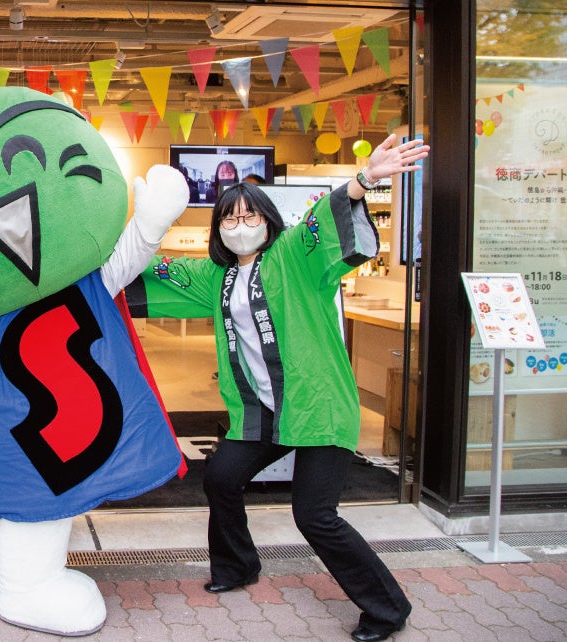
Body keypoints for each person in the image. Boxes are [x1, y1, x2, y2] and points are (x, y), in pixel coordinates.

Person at [126, 133, 429, 642]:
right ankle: (238, 566)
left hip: (316, 409)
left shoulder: (295, 256)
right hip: (261, 416)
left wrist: (366, 178)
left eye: (251, 217)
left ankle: (387, 608)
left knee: (315, 516)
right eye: (230, 219)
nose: (241, 226)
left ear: (267, 221)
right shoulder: (214, 276)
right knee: (221, 478)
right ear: (218, 229)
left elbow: (324, 219)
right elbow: (145, 274)